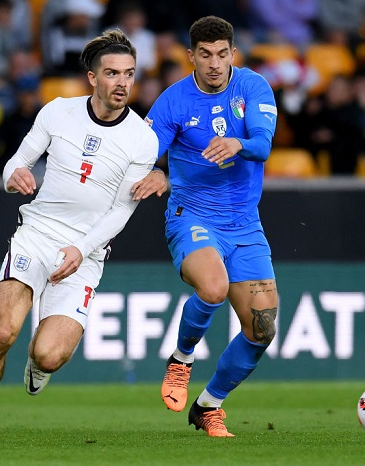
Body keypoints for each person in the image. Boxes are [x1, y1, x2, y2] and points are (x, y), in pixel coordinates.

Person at [0, 28, 160, 441]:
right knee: (2, 332)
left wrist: (81, 250)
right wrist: (16, 176)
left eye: (129, 74)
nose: (122, 83)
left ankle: (38, 365)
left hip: (86, 253)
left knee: (50, 354)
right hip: (37, 234)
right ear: (93, 78)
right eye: (113, 74)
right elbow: (15, 163)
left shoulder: (143, 138)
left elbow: (122, 210)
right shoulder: (57, 112)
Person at [133, 16, 278, 437]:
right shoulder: (173, 102)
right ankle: (181, 359)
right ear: (191, 56)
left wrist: (239, 143)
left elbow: (264, 143)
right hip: (192, 215)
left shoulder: (252, 87)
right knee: (212, 288)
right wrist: (158, 173)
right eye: (205, 55)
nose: (214, 63)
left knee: (262, 328)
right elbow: (144, 155)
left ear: (233, 53)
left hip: (245, 224)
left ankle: (208, 405)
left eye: (222, 54)